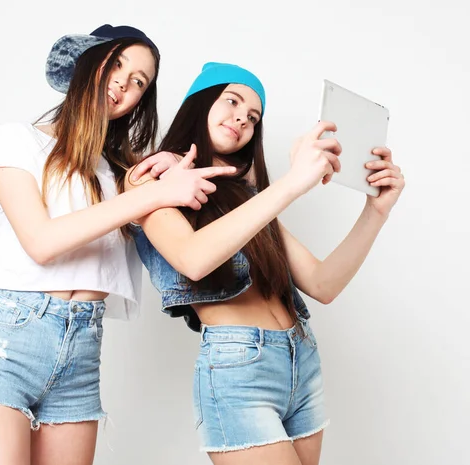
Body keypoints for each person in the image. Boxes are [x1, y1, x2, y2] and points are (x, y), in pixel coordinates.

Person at [0, 27, 235, 465]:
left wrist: (170, 168)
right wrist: (151, 194)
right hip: (6, 339)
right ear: (87, 62)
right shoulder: (18, 140)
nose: (124, 82)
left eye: (139, 81)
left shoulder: (122, 173)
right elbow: (42, 243)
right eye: (117, 64)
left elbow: (185, 239)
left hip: (82, 346)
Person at [126, 62, 405, 465]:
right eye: (232, 101)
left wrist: (376, 212)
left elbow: (323, 284)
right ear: (199, 103)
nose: (242, 118)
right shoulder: (151, 177)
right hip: (239, 368)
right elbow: (193, 259)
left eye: (253, 117)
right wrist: (294, 182)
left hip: (301, 358)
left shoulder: (248, 199)